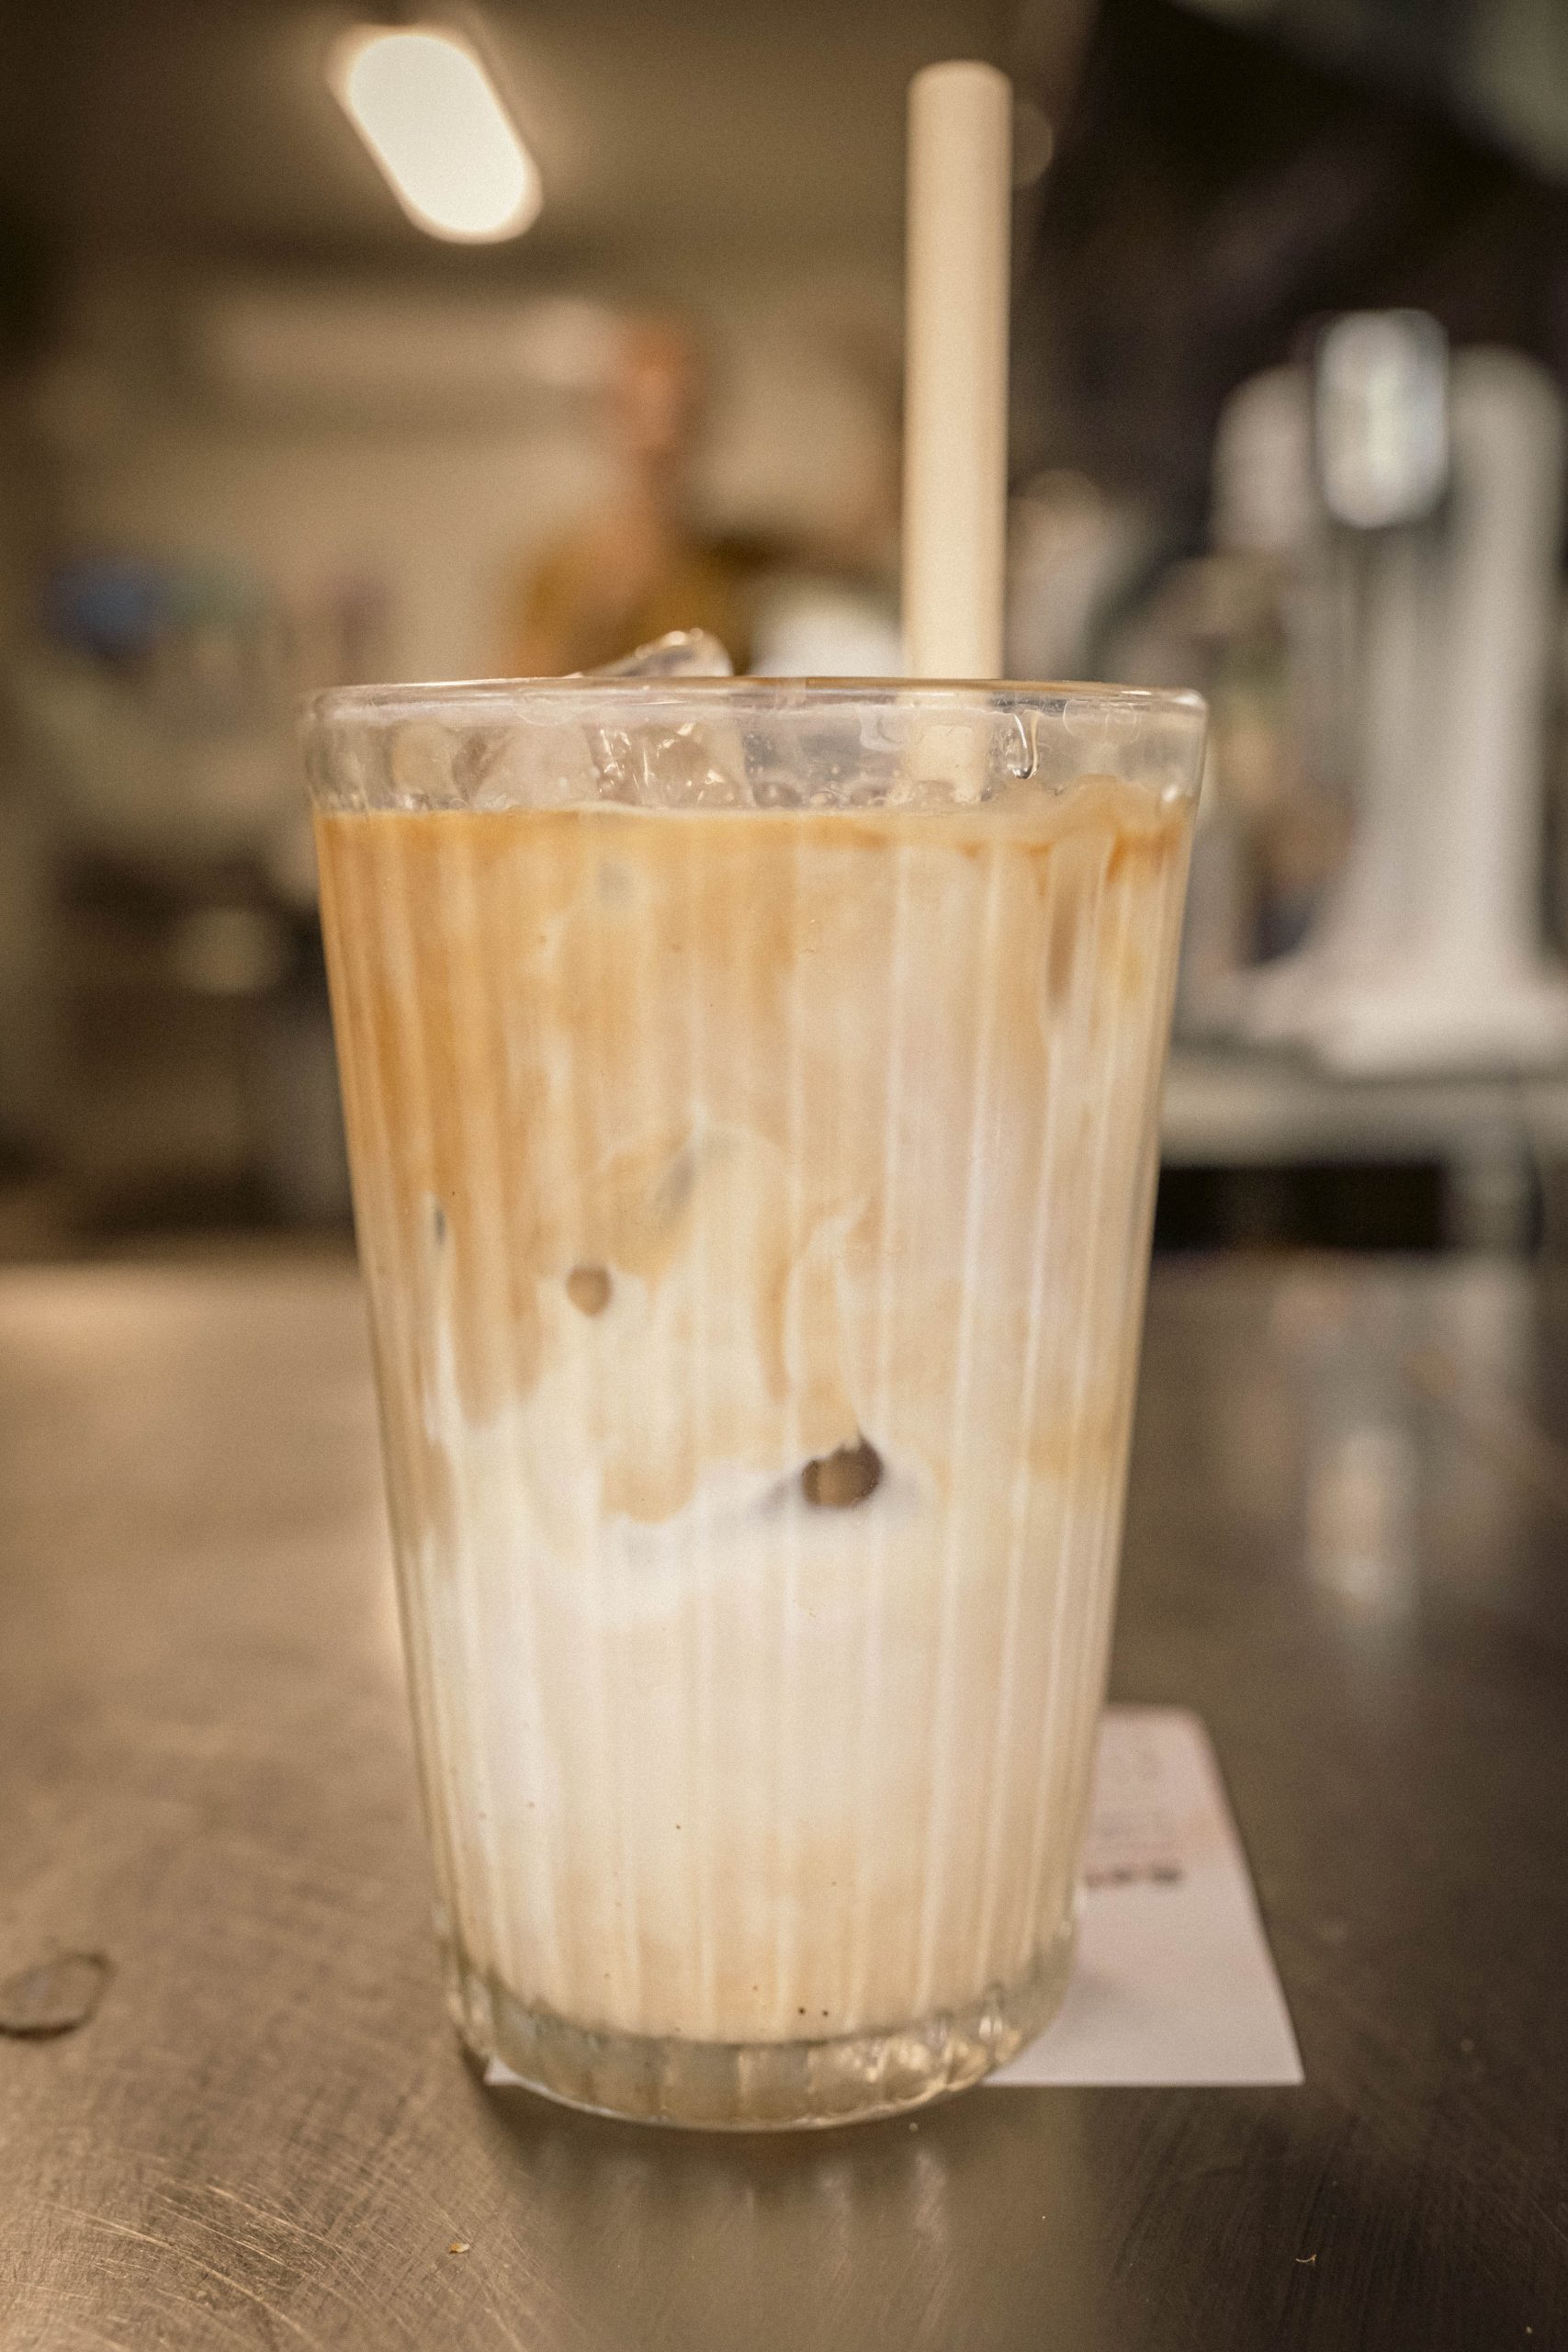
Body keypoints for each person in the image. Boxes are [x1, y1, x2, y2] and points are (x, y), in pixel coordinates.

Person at [511, 313, 755, 675]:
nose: (660, 434)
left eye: (679, 409)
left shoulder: (733, 560)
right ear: (606, 414)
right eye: (638, 406)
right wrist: (600, 603)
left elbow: (845, 545)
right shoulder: (558, 569)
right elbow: (514, 700)